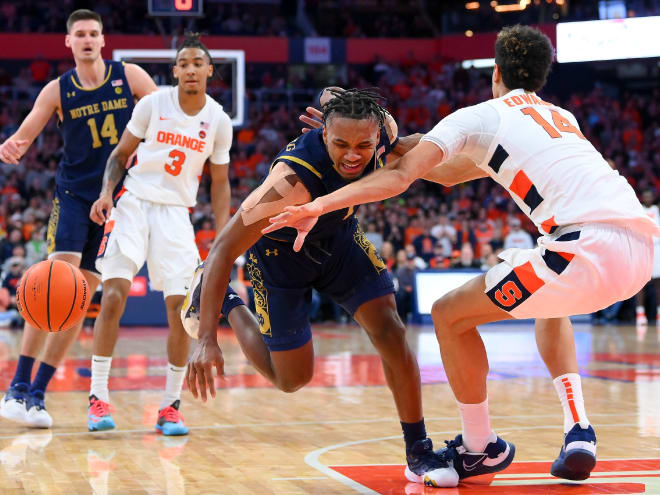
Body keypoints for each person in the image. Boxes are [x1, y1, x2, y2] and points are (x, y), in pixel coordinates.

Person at [264, 25, 660, 484]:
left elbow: (402, 178)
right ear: (540, 79)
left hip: (580, 249)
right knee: (555, 306)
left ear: (494, 73)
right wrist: (386, 142)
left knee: (448, 314)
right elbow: (450, 174)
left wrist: (318, 203)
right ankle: (578, 429)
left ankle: (480, 449)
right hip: (640, 251)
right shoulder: (560, 117)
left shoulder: (480, 115)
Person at [184, 88, 456, 487]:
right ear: (323, 135)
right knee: (291, 379)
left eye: (363, 145)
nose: (352, 154)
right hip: (281, 257)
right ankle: (227, 302)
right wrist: (206, 337)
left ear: (378, 136)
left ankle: (418, 451)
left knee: (392, 330)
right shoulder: (288, 183)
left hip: (339, 239)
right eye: (341, 144)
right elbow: (223, 248)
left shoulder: (384, 130)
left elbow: (361, 112)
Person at [0, 9, 157, 428]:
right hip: (73, 197)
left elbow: (164, 116)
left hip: (117, 200)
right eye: (79, 35)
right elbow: (26, 132)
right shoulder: (58, 90)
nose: (87, 40)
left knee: (75, 303)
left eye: (93, 33)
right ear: (68, 43)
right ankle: (16, 386)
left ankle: (37, 393)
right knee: (55, 284)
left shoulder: (131, 77)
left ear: (103, 39)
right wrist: (13, 145)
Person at [86, 33, 235, 435]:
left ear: (209, 70)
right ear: (175, 71)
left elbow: (219, 184)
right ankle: (98, 397)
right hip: (132, 203)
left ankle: (170, 405)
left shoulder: (219, 120)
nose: (190, 69)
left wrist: (224, 236)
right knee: (113, 294)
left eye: (197, 63)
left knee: (180, 313)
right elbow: (120, 154)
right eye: (183, 63)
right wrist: (105, 193)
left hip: (176, 215)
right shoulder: (153, 104)